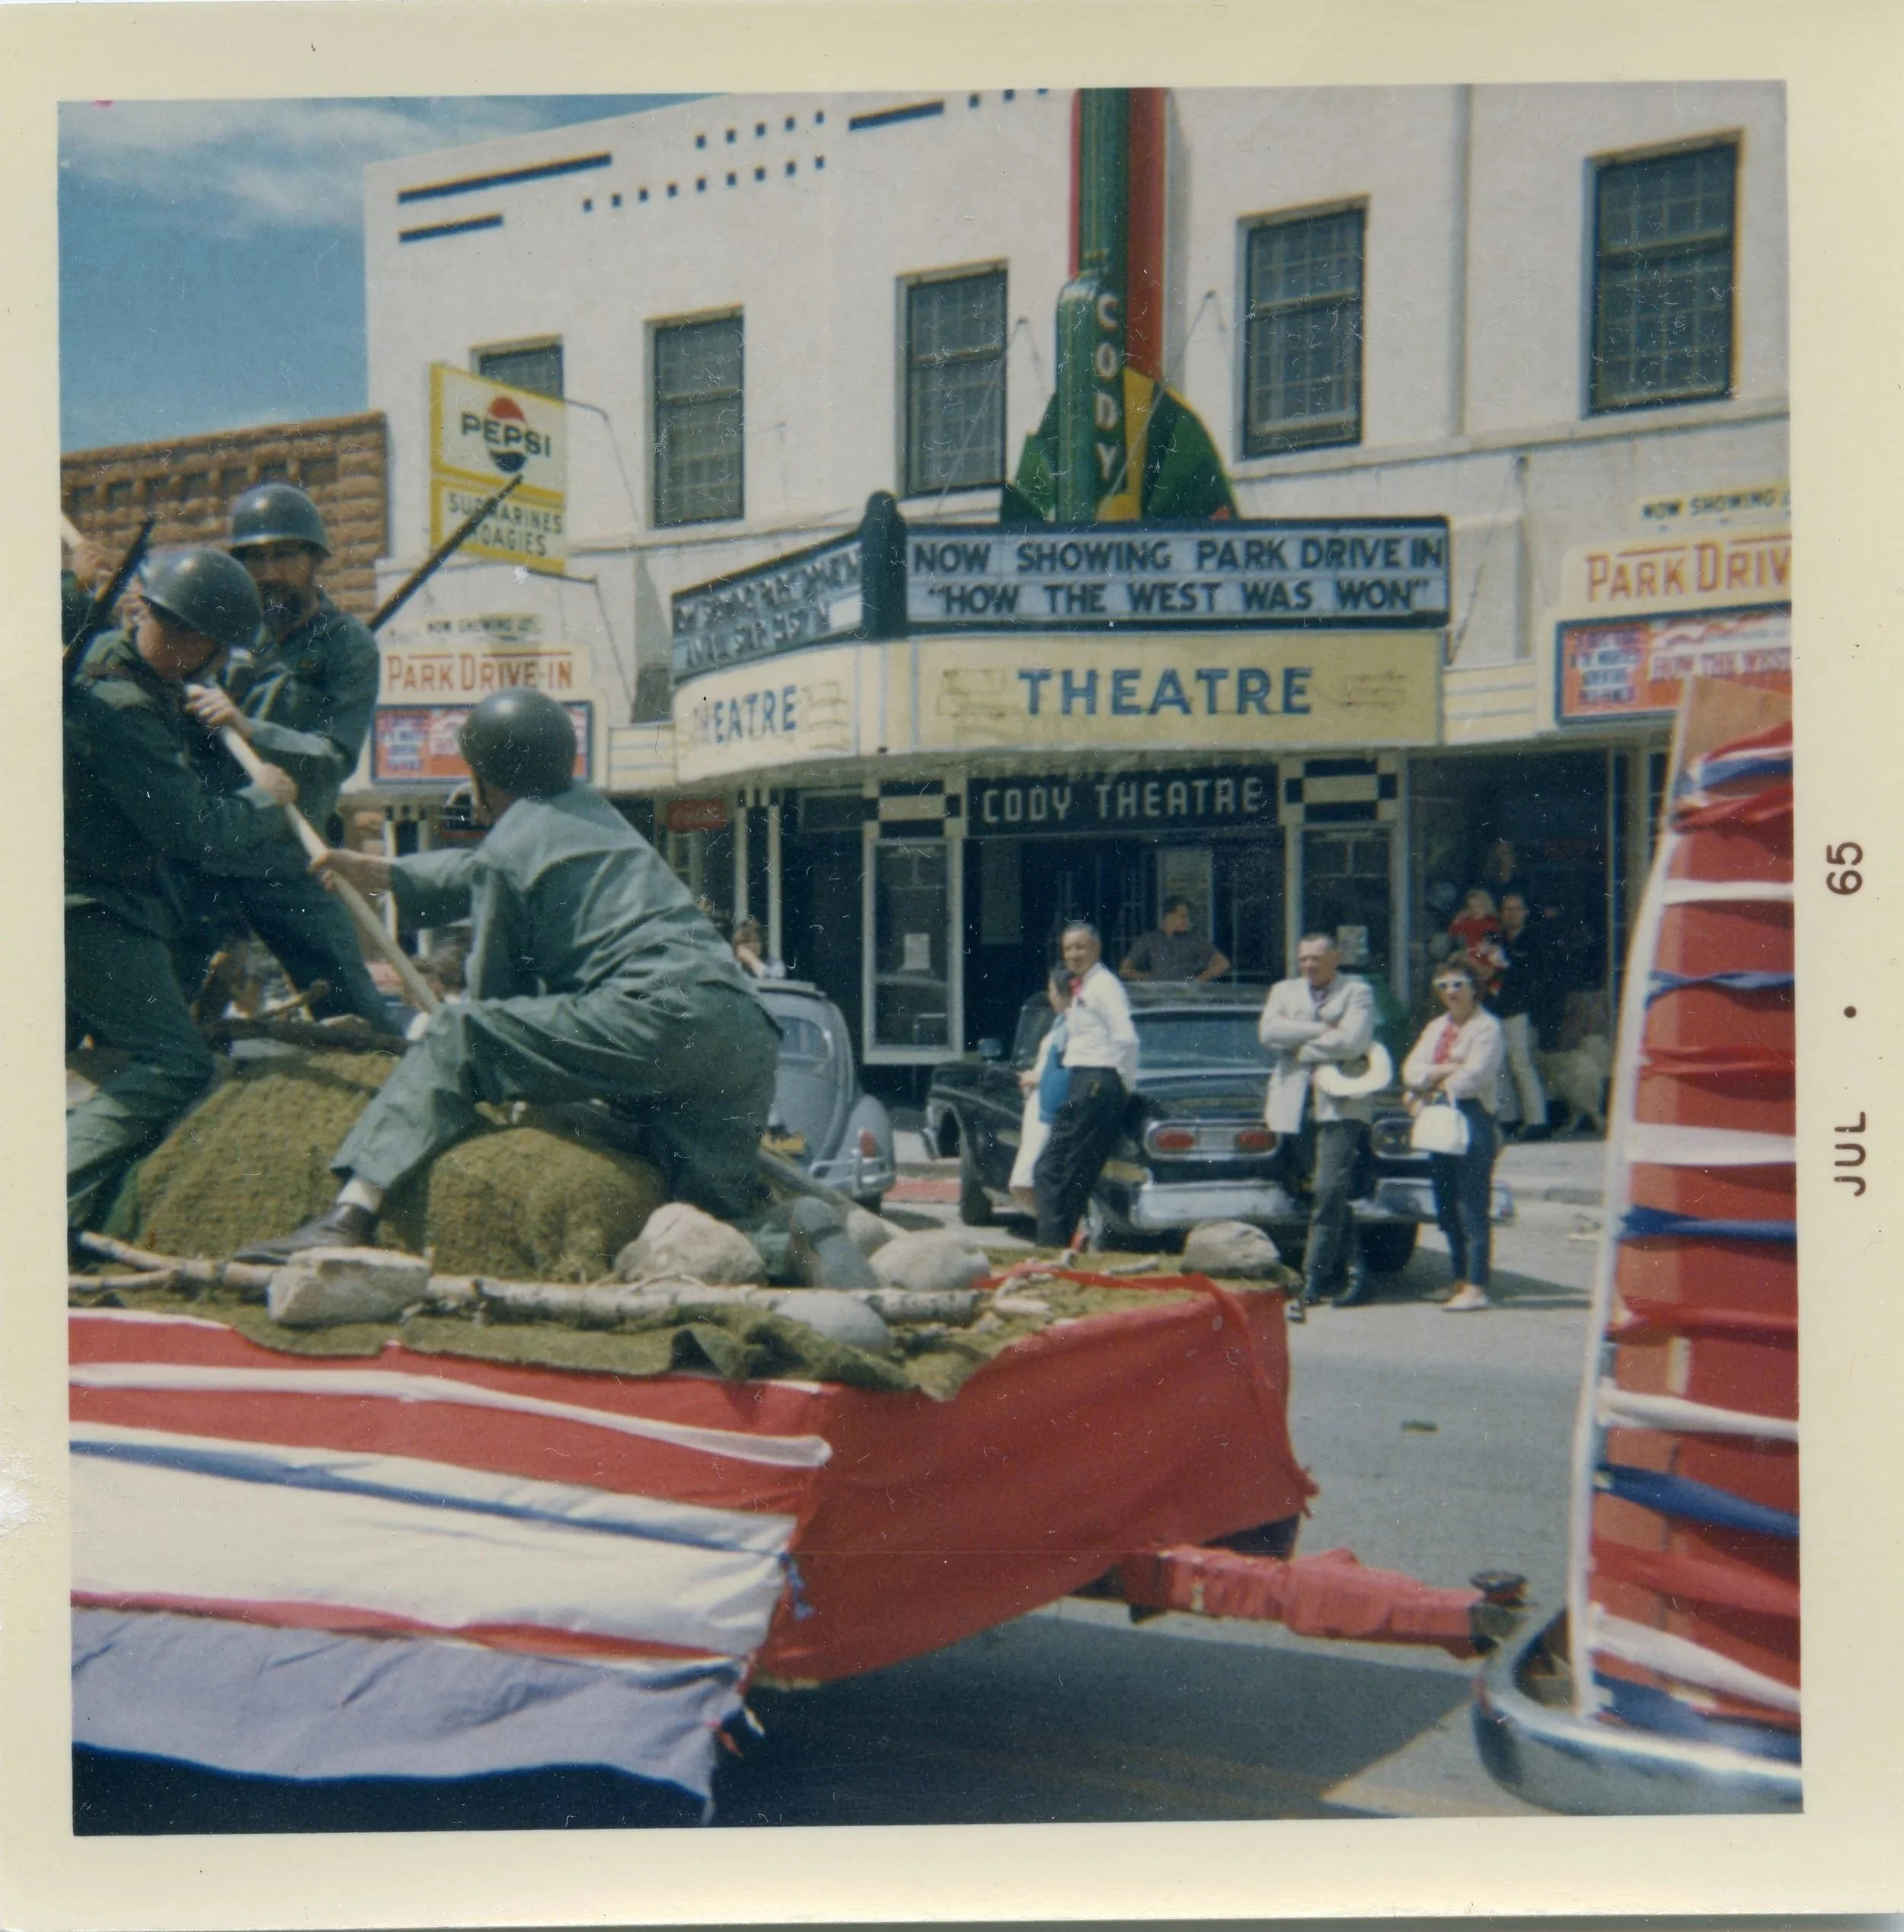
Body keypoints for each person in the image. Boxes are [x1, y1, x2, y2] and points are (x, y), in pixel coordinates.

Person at [237, 690, 782, 1261]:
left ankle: (349, 1214)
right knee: (720, 1222)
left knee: (459, 1032)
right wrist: (384, 874)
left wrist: (483, 1065)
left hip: (656, 1017)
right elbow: (485, 868)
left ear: (480, 778)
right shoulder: (592, 811)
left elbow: (494, 997)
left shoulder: (508, 850)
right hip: (742, 1028)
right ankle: (801, 1237)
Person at [65, 548, 299, 1236]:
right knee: (176, 1063)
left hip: (88, 902)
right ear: (194, 642)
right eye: (218, 651)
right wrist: (266, 797)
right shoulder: (122, 708)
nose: (218, 665)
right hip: (92, 911)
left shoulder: (108, 658)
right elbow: (195, 830)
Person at [174, 484, 394, 1033]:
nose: (268, 571)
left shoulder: (348, 646)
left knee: (358, 1018)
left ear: (316, 560)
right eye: (254, 558)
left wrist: (250, 727)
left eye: (284, 555)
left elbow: (334, 757)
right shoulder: (213, 632)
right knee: (161, 1017)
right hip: (204, 854)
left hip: (287, 857)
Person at [1257, 933, 1379, 1320]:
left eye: (1317, 959)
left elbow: (1354, 1042)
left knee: (1328, 1190)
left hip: (1341, 1103)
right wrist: (1323, 1031)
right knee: (1327, 1194)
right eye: (1304, 959)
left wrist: (1301, 1043)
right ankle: (1358, 1272)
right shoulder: (1283, 990)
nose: (1309, 966)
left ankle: (1312, 1281)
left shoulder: (1357, 991)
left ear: (1336, 959)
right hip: (1296, 1103)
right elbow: (1268, 1034)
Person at [1401, 955, 1506, 1312]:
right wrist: (1446, 1069)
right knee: (1446, 1203)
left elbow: (1474, 1076)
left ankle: (1477, 1284)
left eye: (1458, 984)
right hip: (1440, 1115)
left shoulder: (1487, 1028)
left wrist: (1432, 1082)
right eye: (1443, 986)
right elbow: (1411, 1070)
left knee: (1472, 1205)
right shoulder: (1436, 1027)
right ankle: (1459, 1277)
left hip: (1472, 1116)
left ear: (1474, 988)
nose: (1451, 992)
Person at [1032, 921, 1139, 1250]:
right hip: (1081, 1080)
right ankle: (1054, 1243)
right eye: (1068, 949)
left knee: (1068, 1171)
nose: (1074, 955)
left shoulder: (1105, 987)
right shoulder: (1082, 988)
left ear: (1096, 948)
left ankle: (1054, 1247)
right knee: (1052, 1169)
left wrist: (1122, 1086)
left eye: (1081, 947)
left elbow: (1126, 1039)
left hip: (1098, 1081)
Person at [1480, 890, 1554, 1138]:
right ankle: (1508, 1117)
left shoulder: (1533, 940)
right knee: (1499, 1063)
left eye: (1516, 909)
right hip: (1496, 1007)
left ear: (1525, 912)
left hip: (1519, 1009)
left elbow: (1536, 975)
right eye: (1507, 909)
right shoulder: (1496, 938)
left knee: (1521, 1063)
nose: (1511, 914)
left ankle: (1537, 1121)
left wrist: (1505, 970)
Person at [1009, 969, 1073, 1212]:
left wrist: (1037, 1077)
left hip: (1050, 1111)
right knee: (1028, 1181)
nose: (1050, 996)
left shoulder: (1074, 1027)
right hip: (1038, 1108)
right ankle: (1056, 1227)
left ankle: (1058, 1226)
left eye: (1053, 991)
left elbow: (1068, 1068)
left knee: (1025, 1182)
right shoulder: (1059, 1022)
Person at [1120, 897, 1231, 983]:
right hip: (1157, 995)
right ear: (1169, 916)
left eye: (1187, 917)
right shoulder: (1148, 940)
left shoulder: (1195, 939)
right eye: (1182, 917)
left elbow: (1223, 964)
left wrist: (1197, 981)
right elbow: (1125, 970)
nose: (1186, 921)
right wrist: (1151, 979)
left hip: (1187, 995)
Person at [1446, 887, 1503, 966]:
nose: (1474, 910)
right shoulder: (1466, 922)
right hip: (1467, 956)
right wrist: (1458, 919)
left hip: (1487, 957)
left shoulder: (1492, 922)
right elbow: (1452, 933)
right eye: (1470, 906)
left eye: (1477, 906)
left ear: (1486, 906)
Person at [731, 914, 787, 980]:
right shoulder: (730, 965)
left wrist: (753, 962)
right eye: (745, 942)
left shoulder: (775, 965)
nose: (750, 946)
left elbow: (776, 980)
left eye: (754, 941)